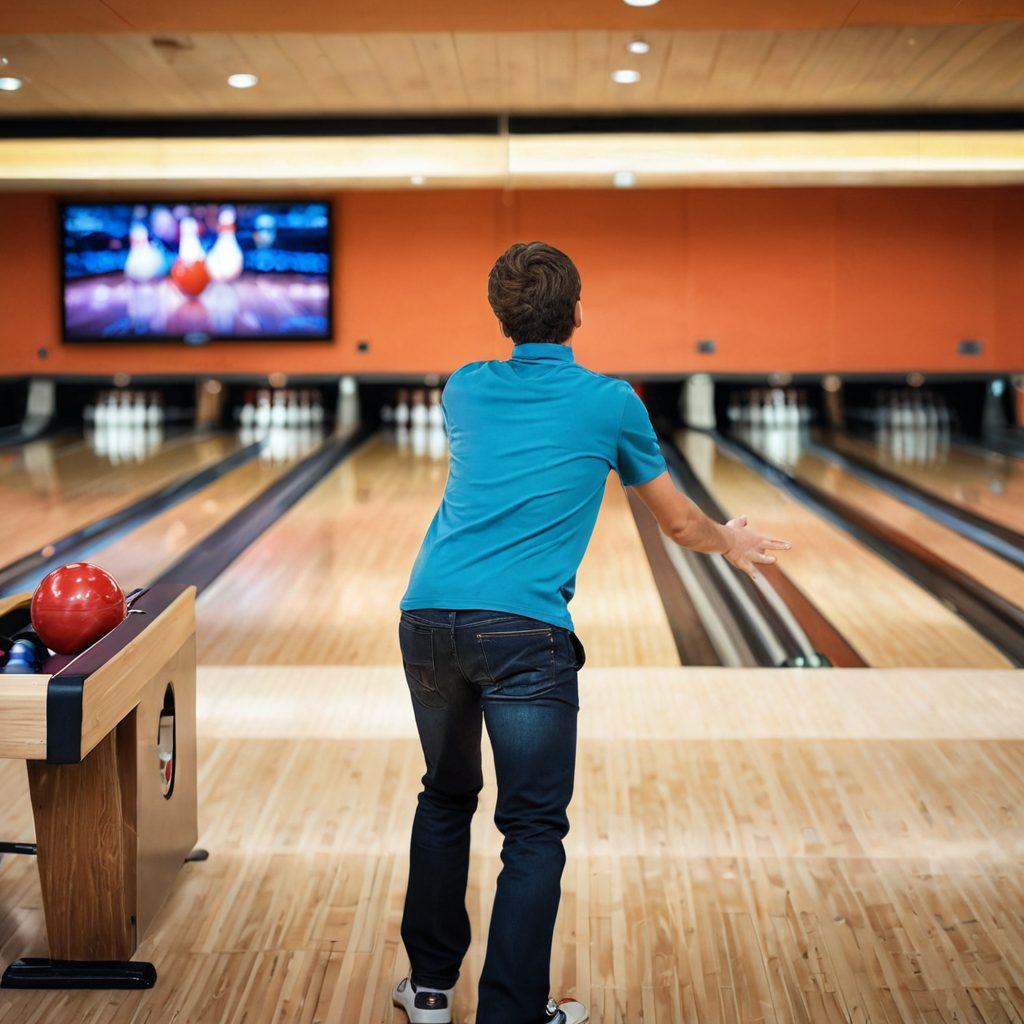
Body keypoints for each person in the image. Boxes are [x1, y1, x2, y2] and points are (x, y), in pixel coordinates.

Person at [392, 242, 791, 1024]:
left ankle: (431, 991)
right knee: (533, 829)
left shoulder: (464, 388)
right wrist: (732, 539)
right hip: (526, 636)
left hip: (428, 616)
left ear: (500, 316)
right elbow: (678, 522)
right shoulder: (613, 403)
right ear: (578, 311)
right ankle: (512, 1013)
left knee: (445, 797)